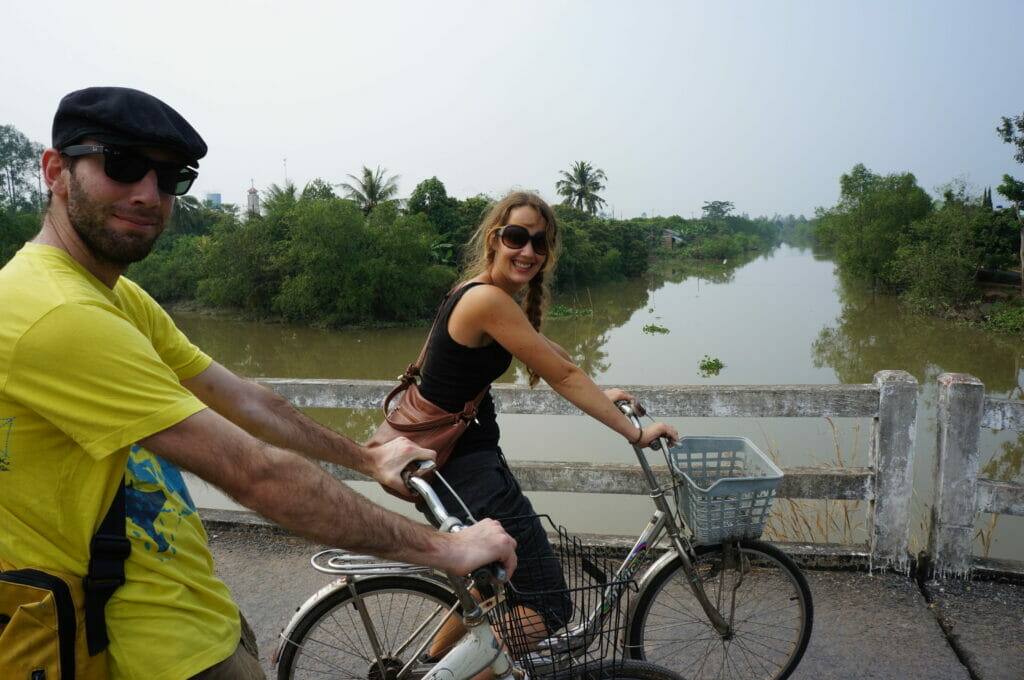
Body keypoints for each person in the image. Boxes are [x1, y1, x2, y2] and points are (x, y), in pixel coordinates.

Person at [0, 86, 517, 680]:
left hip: (187, 614)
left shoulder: (114, 295)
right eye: (121, 165)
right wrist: (446, 550)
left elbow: (242, 398)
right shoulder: (55, 312)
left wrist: (367, 457)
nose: (148, 193)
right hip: (137, 652)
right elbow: (256, 472)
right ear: (54, 170)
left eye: (170, 177)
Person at [406, 191, 680, 654]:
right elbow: (564, 375)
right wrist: (635, 431)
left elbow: (552, 354)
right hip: (465, 470)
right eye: (517, 237)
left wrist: (603, 394)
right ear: (495, 238)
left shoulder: (473, 291)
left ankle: (434, 662)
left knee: (495, 580)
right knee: (550, 604)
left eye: (540, 242)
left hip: (453, 465)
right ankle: (457, 672)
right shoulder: (488, 300)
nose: (529, 251)